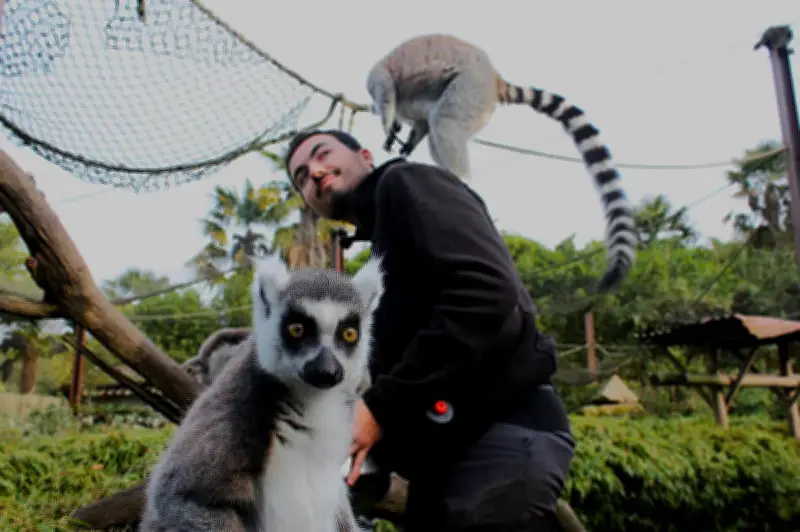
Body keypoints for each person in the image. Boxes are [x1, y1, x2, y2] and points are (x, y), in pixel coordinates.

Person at [284, 128, 575, 531]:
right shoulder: (385, 250)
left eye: (322, 155)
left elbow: (484, 293)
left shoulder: (404, 183)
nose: (313, 173)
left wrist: (380, 406)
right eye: (300, 176)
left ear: (365, 155)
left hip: (498, 441)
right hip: (446, 466)